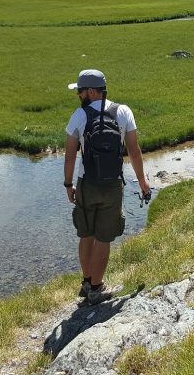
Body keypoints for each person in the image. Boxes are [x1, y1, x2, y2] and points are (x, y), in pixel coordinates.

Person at [63, 69, 151, 305]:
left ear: (91, 92)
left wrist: (68, 184)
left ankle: (88, 283)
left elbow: (70, 156)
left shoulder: (79, 116)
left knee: (86, 234)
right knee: (104, 238)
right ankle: (96, 287)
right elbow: (134, 150)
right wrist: (142, 181)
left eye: (80, 91)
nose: (79, 95)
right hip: (112, 185)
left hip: (86, 184)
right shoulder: (123, 112)